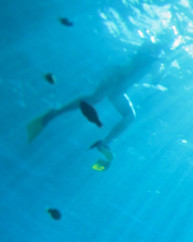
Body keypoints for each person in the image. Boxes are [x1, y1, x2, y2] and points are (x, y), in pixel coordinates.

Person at [27, 34, 175, 171]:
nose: (166, 47)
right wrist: (160, 60)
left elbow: (155, 81)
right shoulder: (150, 48)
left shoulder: (157, 62)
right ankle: (55, 114)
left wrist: (165, 66)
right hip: (114, 79)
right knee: (95, 99)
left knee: (128, 115)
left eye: (168, 45)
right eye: (167, 43)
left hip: (119, 90)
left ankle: (105, 143)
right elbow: (144, 57)